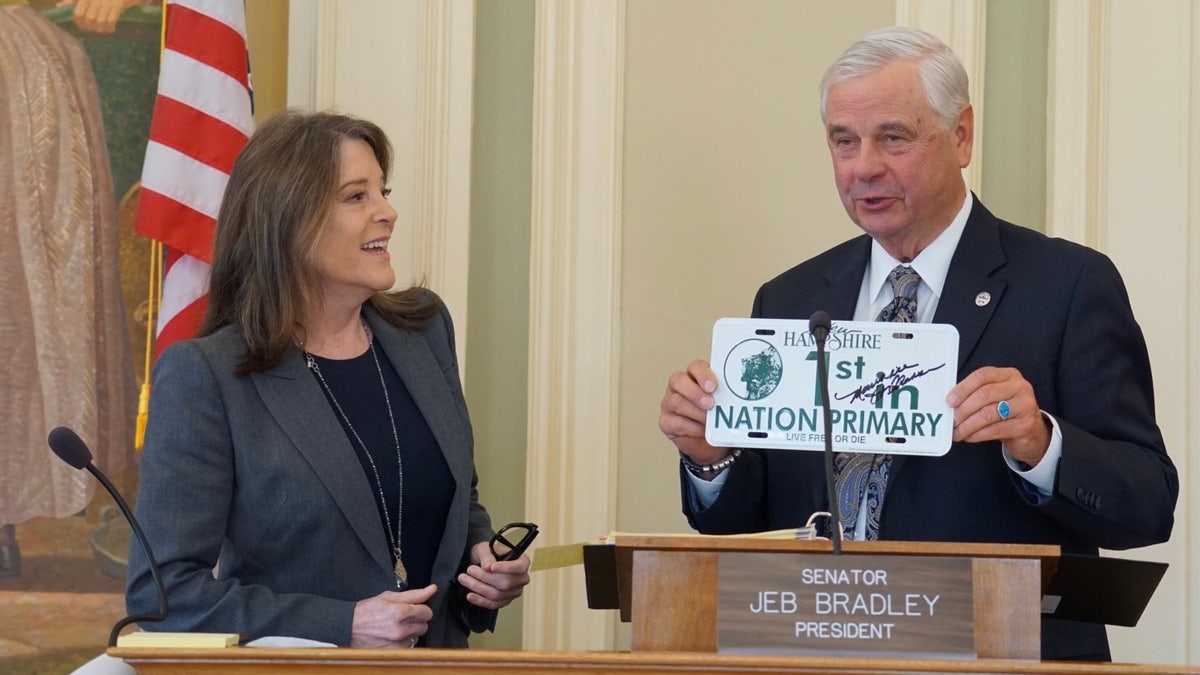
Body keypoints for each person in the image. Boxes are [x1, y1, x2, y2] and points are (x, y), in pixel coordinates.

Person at [658, 26, 1177, 662]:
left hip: (997, 656)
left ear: (960, 136)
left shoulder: (1066, 285)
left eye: (892, 137)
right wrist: (713, 460)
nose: (862, 167)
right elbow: (742, 524)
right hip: (808, 649)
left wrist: (1039, 443)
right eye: (843, 142)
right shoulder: (790, 300)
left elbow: (1147, 506)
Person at [126, 110, 531, 647]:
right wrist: (341, 625)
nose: (388, 212)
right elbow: (165, 596)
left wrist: (481, 561)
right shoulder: (206, 377)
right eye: (356, 196)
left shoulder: (425, 330)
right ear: (288, 221)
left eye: (382, 192)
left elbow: (459, 495)